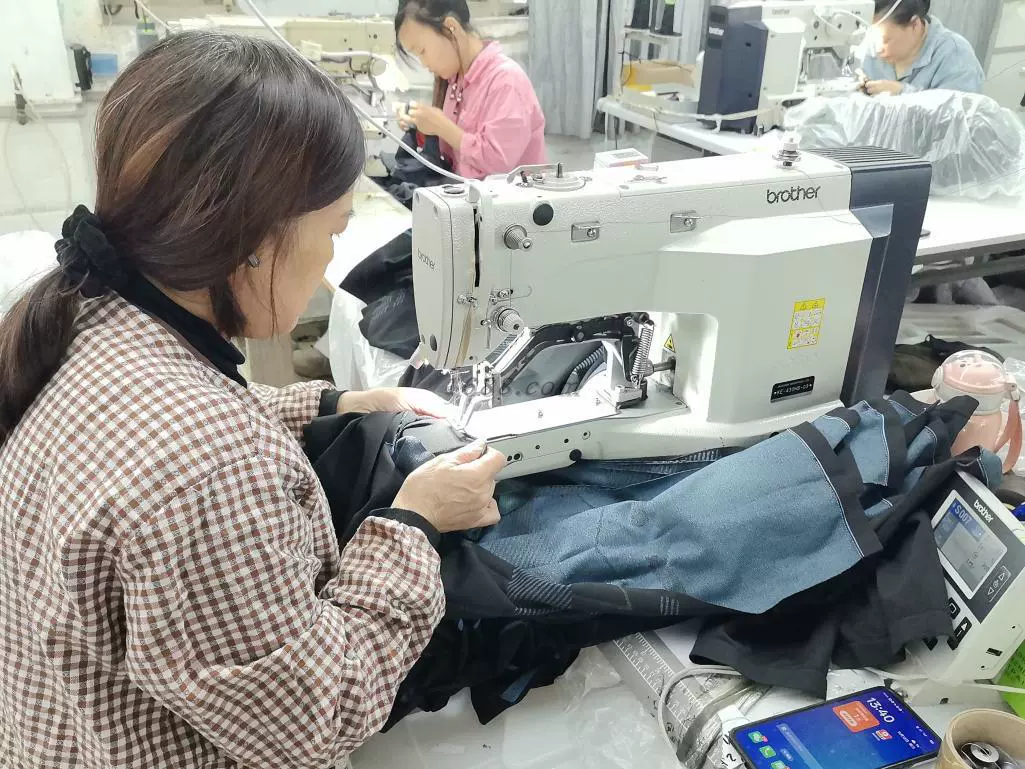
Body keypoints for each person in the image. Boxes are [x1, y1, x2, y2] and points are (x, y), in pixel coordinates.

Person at [0, 31, 507, 769]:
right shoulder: (209, 466)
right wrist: (414, 523)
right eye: (332, 231)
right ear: (256, 237)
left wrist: (337, 402)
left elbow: (176, 429)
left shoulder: (88, 318)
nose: (332, 256)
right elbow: (317, 716)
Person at [394, 0, 546, 180]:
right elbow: (451, 154)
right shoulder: (455, 80)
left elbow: (498, 165)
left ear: (451, 27)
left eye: (422, 51)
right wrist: (420, 125)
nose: (423, 63)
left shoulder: (506, 81)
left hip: (510, 197)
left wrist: (443, 127)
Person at [859, 0, 985, 96]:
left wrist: (903, 94)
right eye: (872, 37)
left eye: (885, 40)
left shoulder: (956, 56)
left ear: (915, 25)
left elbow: (956, 117)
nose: (877, 49)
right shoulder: (869, 46)